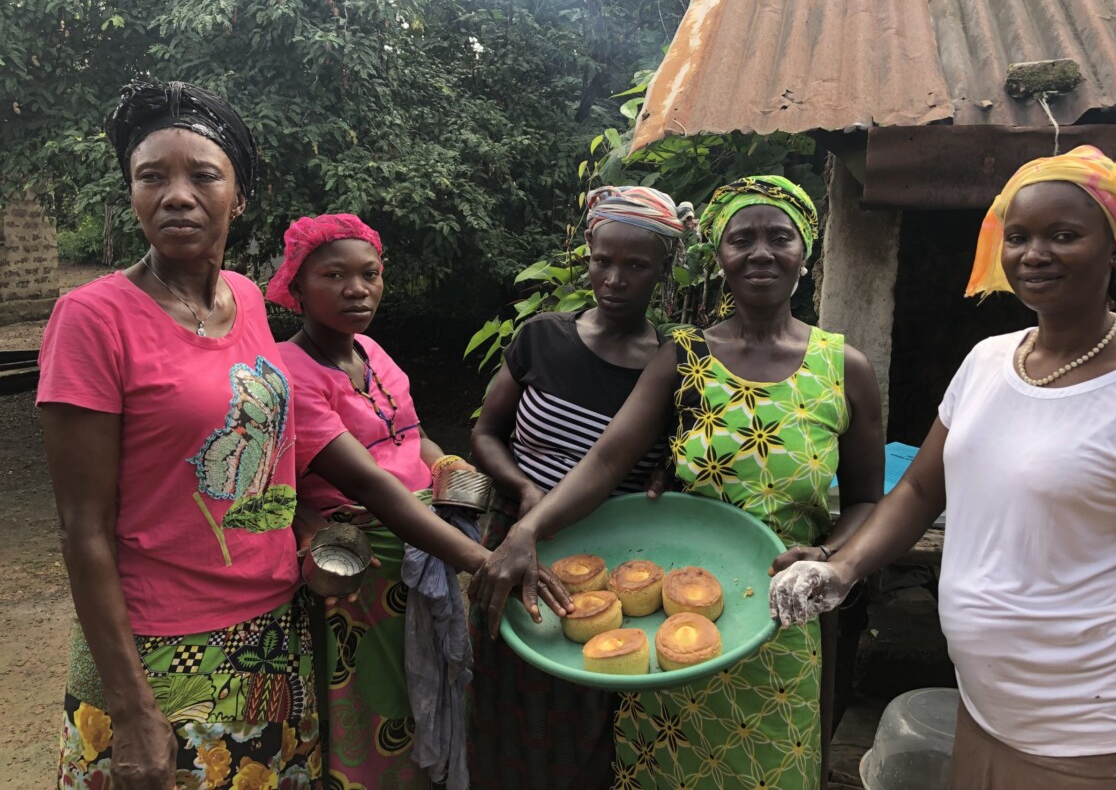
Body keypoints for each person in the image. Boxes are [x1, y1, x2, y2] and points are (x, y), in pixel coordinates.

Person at [768, 146, 1116, 790]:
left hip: (1093, 736)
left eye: (1064, 235)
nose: (1034, 253)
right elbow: (918, 488)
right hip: (983, 714)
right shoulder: (988, 361)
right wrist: (840, 568)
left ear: (1114, 248)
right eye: (1019, 236)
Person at [472, 175, 885, 790]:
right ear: (718, 256)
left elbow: (867, 503)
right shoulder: (684, 357)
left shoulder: (844, 367)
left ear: (808, 251)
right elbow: (609, 462)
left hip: (783, 619)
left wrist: (827, 557)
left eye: (780, 237)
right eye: (741, 238)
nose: (760, 252)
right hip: (671, 626)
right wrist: (527, 527)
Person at [39, 80, 322, 788]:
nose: (176, 194)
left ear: (240, 195)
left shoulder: (249, 299)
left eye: (203, 175)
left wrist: (308, 527)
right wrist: (132, 708)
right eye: (151, 177)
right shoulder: (91, 319)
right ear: (132, 195)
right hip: (156, 652)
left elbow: (268, 449)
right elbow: (83, 528)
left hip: (271, 640)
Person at [266, 213, 564, 790]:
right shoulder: (290, 373)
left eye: (370, 274)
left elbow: (411, 434)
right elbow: (373, 487)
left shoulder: (372, 352)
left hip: (423, 542)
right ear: (296, 286)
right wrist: (482, 560)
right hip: (368, 563)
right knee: (379, 693)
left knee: (426, 681)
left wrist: (447, 465)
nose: (357, 289)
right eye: (334, 275)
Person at [467, 186, 685, 790]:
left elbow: (655, 461)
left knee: (594, 700)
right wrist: (525, 491)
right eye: (603, 261)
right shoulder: (542, 338)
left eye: (636, 265)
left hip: (610, 560)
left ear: (663, 270)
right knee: (508, 690)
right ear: (586, 253)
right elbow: (486, 436)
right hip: (517, 544)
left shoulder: (669, 365)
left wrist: (667, 472)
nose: (614, 279)